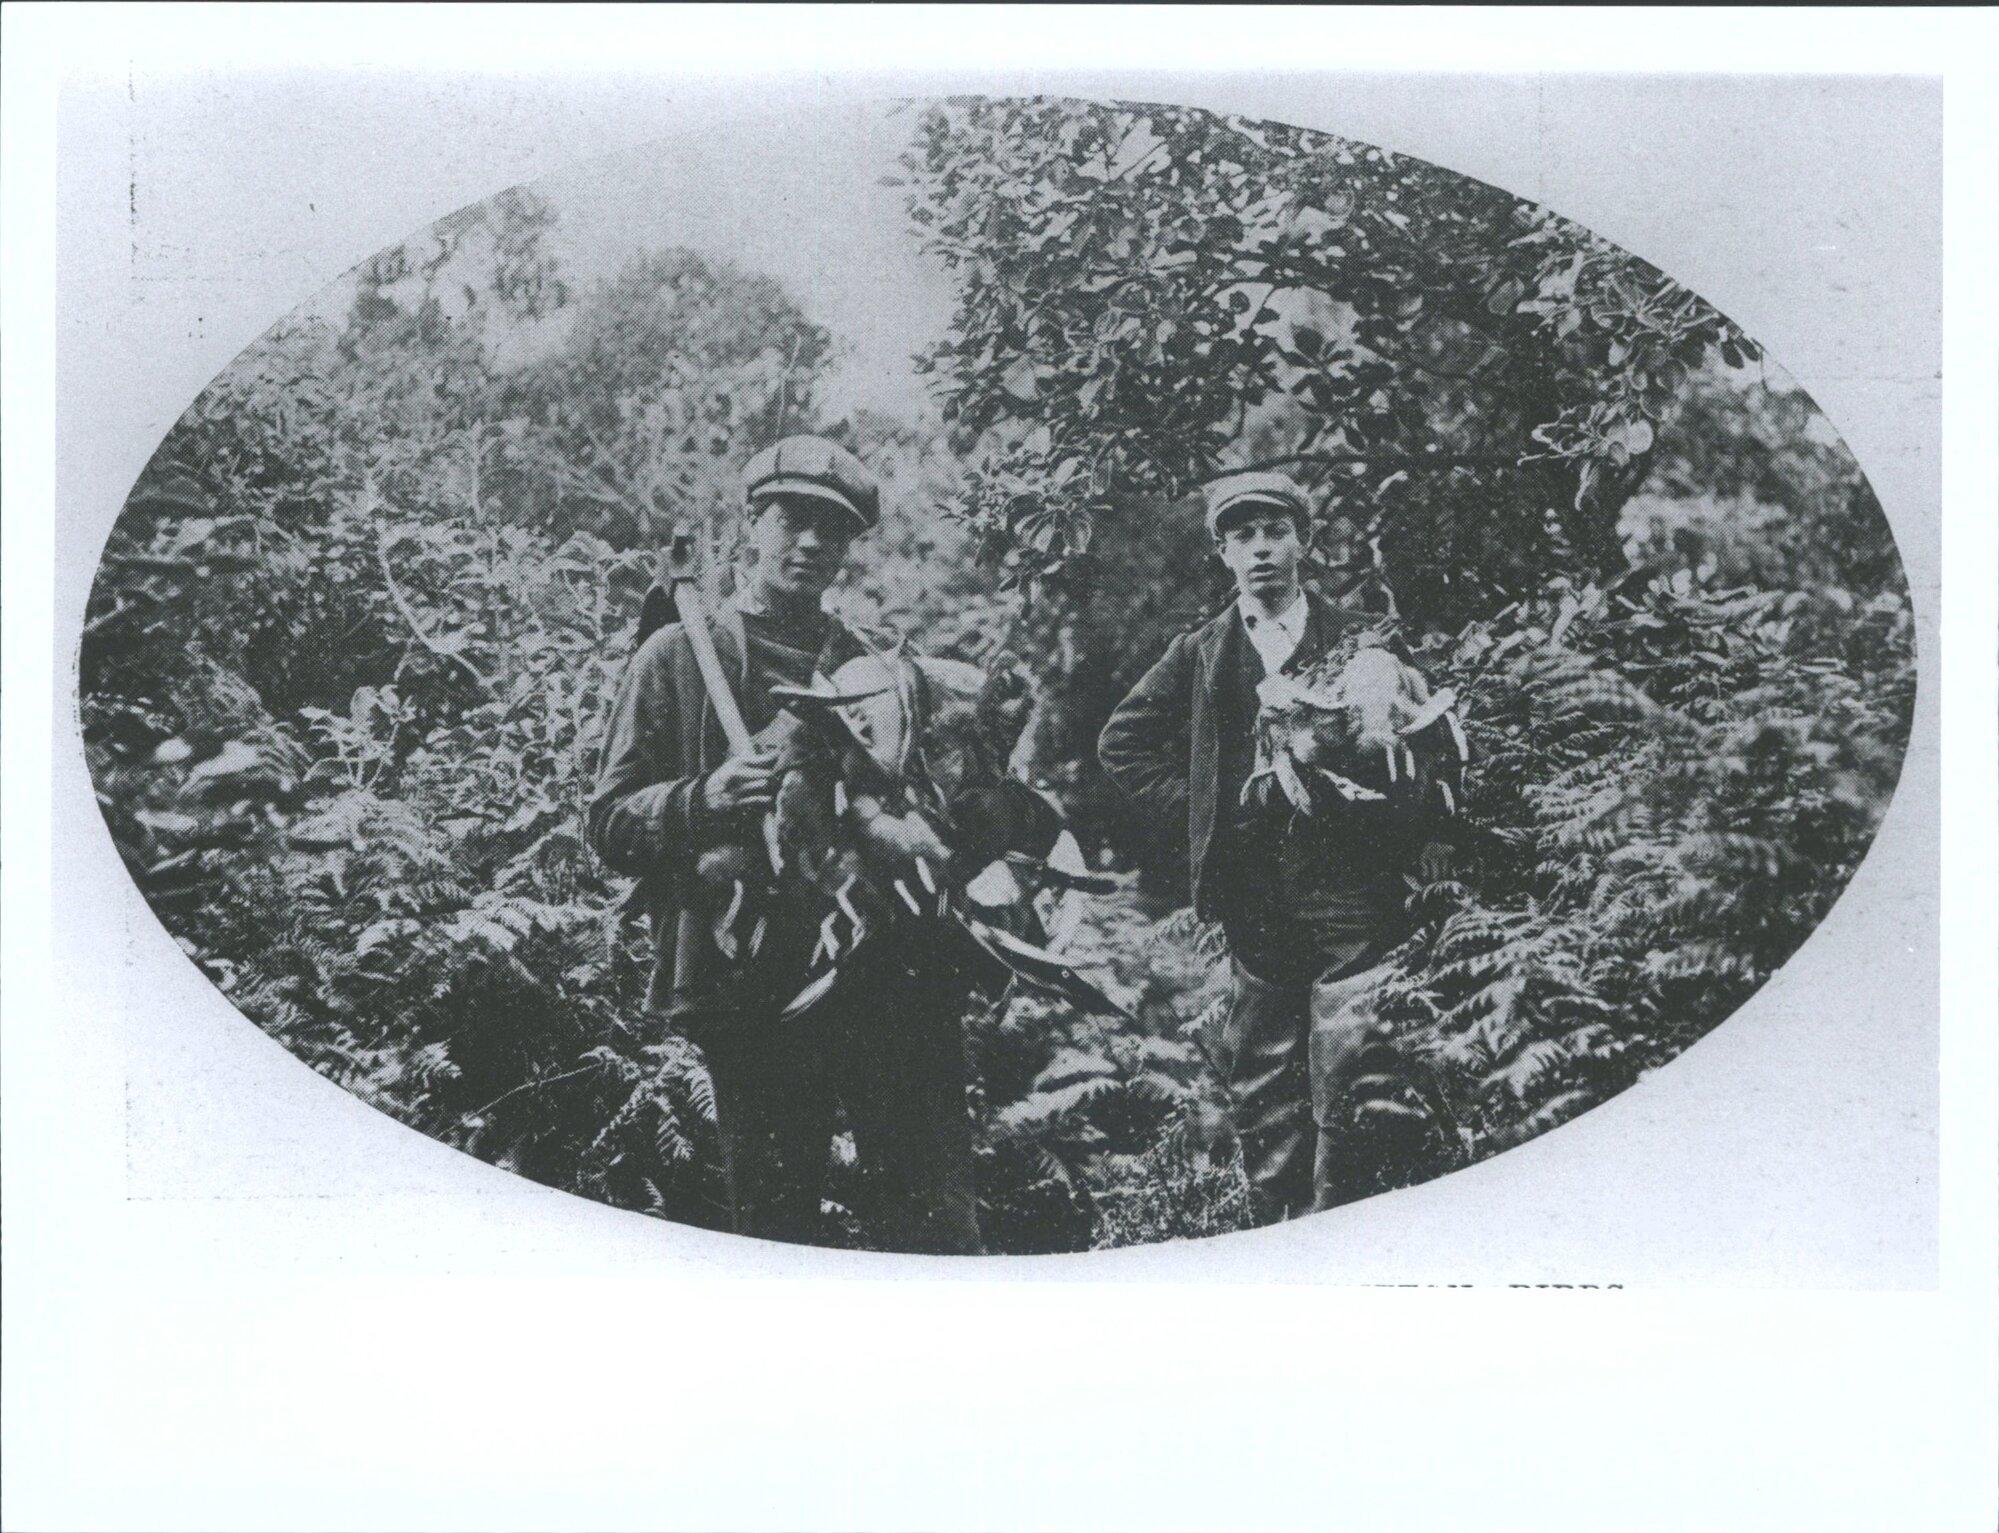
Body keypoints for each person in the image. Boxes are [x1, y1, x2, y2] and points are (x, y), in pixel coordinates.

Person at [588, 435, 983, 1254]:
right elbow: (611, 819)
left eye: (831, 530)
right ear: (750, 525)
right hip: (753, 982)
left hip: (884, 972)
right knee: (776, 1227)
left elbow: (944, 805)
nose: (811, 543)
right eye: (792, 520)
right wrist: (701, 799)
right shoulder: (681, 655)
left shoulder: (875, 666)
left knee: (929, 1219)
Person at [1097, 470, 1452, 1221]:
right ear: (1221, 554)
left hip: (1351, 884)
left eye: (1274, 532)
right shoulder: (1201, 653)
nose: (1260, 549)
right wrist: (1210, 813)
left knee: (1351, 1060)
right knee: (1261, 1076)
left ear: (1303, 543)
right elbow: (1122, 745)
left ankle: (1337, 1225)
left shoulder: (1361, 636)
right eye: (1241, 536)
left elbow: (1425, 744)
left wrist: (1415, 829)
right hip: (1254, 893)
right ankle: (1272, 1231)